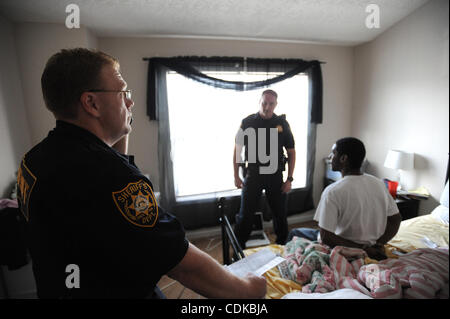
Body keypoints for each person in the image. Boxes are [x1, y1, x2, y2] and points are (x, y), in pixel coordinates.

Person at [16, 48, 266, 299]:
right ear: (91, 103)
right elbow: (181, 262)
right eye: (123, 92)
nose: (130, 101)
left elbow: (96, 206)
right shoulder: (111, 177)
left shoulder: (32, 160)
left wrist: (119, 130)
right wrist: (246, 290)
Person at [288, 137, 402, 260]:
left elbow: (326, 236)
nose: (330, 157)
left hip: (345, 250)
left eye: (334, 153)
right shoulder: (378, 184)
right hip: (371, 245)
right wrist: (378, 243)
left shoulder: (332, 191)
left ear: (343, 159)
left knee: (294, 232)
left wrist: (362, 248)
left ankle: (285, 260)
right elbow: (396, 220)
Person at [233, 89, 296, 248]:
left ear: (276, 104)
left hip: (275, 176)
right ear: (259, 102)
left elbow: (291, 152)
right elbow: (237, 150)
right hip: (253, 175)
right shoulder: (247, 122)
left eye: (271, 104)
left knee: (280, 216)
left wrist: (289, 179)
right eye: (264, 103)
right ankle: (237, 250)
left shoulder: (282, 124)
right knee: (245, 216)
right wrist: (236, 175)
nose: (267, 107)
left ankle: (282, 248)